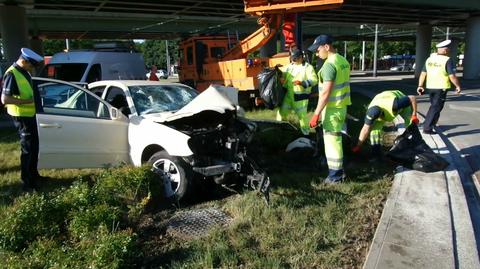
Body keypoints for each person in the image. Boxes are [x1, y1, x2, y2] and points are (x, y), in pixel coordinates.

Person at [308, 35, 351, 183]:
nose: (316, 53)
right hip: (341, 107)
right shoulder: (343, 61)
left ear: (326, 47)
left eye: (318, 49)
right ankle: (340, 172)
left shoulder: (329, 65)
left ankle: (335, 176)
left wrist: (316, 114)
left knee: (332, 144)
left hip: (332, 110)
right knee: (336, 141)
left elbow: (326, 93)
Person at [1, 48, 44, 191]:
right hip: (21, 117)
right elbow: (4, 99)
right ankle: (27, 182)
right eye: (31, 65)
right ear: (24, 61)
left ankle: (34, 175)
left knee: (34, 146)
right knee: (27, 149)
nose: (32, 68)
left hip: (29, 115)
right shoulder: (12, 74)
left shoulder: (24, 71)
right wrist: (27, 101)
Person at [352, 90, 419, 160]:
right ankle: (376, 154)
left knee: (410, 124)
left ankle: (415, 146)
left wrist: (414, 115)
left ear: (381, 114)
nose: (376, 121)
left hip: (398, 101)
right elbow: (365, 129)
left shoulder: (396, 104)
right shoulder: (371, 113)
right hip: (381, 101)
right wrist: (358, 145)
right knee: (374, 132)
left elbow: (412, 98)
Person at [417, 39, 461, 134]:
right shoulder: (447, 60)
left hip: (430, 87)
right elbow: (452, 76)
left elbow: (423, 74)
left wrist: (420, 85)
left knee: (435, 107)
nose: (448, 50)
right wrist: (457, 86)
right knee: (436, 108)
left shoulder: (429, 59)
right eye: (448, 48)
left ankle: (430, 125)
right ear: (445, 50)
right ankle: (427, 128)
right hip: (441, 87)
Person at [277, 48, 318, 136]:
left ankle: (306, 134)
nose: (293, 60)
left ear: (301, 57)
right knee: (281, 112)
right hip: (289, 95)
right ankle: (279, 130)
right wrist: (278, 72)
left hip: (300, 97)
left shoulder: (308, 67)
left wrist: (302, 83)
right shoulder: (290, 66)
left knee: (302, 117)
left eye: (295, 58)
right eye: (292, 58)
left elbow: (314, 80)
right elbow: (283, 74)